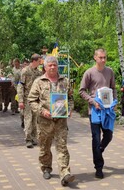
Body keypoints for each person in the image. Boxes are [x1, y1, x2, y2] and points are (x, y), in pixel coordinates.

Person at [28, 56, 75, 186]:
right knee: (45, 147)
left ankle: (65, 173)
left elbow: (70, 98)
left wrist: (69, 109)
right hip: (44, 122)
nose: (53, 67)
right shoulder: (39, 82)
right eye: (50, 65)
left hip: (61, 122)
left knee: (62, 147)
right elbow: (32, 100)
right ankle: (46, 168)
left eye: (55, 65)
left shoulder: (64, 81)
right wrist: (42, 111)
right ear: (45, 67)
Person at [79, 48, 117, 179]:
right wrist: (92, 101)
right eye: (101, 57)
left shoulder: (110, 72)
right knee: (95, 138)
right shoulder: (89, 72)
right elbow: (82, 90)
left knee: (109, 135)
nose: (103, 60)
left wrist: (114, 102)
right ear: (95, 58)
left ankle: (99, 150)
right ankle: (99, 167)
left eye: (105, 57)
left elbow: (113, 88)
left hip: (108, 110)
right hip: (95, 110)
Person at [17, 54, 42, 148]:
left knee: (35, 119)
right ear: (34, 61)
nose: (40, 62)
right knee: (28, 119)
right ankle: (28, 139)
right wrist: (20, 100)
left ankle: (34, 137)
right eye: (39, 60)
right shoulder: (25, 71)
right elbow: (20, 85)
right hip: (27, 98)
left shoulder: (39, 72)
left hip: (37, 99)